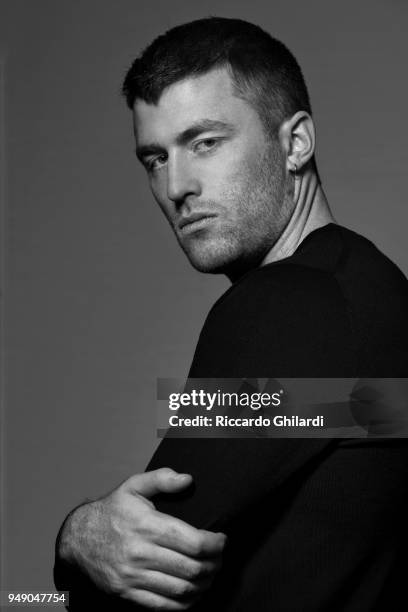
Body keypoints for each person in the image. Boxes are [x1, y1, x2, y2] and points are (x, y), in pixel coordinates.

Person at [54, 17, 408, 611]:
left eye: (205, 142)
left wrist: (73, 539)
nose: (176, 186)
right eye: (154, 159)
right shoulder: (371, 290)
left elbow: (130, 582)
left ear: (295, 142)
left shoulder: (285, 303)